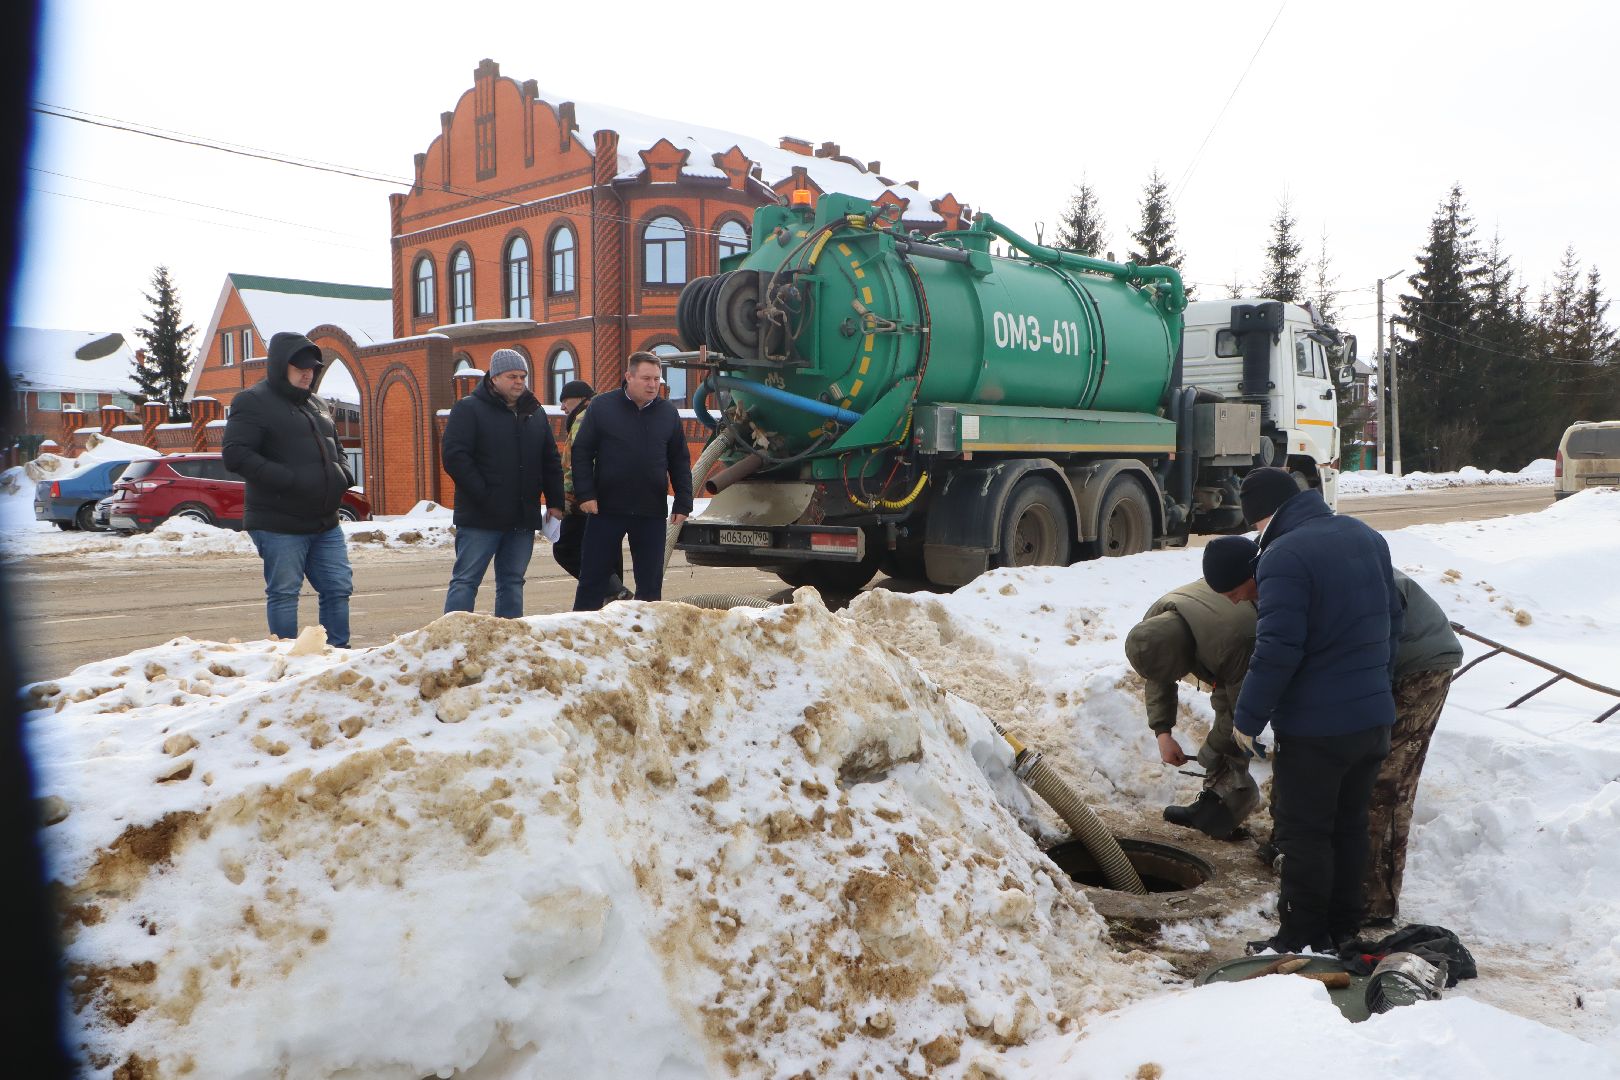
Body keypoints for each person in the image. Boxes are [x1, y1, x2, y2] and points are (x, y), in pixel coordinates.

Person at [1207, 537, 1464, 929]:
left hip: (1418, 664)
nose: (1236, 602)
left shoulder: (1310, 571)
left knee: (1382, 786)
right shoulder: (1282, 577)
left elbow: (1379, 631)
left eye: (1236, 592)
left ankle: (1372, 904)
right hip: (1373, 672)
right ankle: (1331, 893)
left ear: (1251, 573)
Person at [1225, 467, 1403, 954]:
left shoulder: (1284, 556)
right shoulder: (1363, 535)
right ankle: (1344, 928)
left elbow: (1278, 648)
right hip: (1371, 720)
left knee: (1304, 834)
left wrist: (1246, 719)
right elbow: (1394, 619)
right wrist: (1376, 689)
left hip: (1318, 728)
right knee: (1349, 826)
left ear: (1263, 517)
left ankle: (1301, 936)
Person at [222, 331, 356, 647]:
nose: (308, 373)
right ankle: (285, 661)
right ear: (281, 366)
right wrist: (288, 479)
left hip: (324, 521)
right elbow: (236, 455)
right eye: (300, 367)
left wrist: (343, 474)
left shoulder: (317, 403)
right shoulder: (253, 401)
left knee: (338, 588)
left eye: (313, 368)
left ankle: (339, 655)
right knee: (285, 593)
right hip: (278, 522)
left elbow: (335, 446)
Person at [1122, 556, 1260, 841]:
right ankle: (1216, 807)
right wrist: (1162, 732)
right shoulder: (1157, 623)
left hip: (1264, 636)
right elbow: (1158, 673)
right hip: (1219, 636)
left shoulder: (1231, 642)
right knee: (1226, 732)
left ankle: (1271, 826)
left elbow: (1240, 714)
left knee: (1250, 732)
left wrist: (1210, 751)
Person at [440, 348, 565, 618]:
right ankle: (454, 640)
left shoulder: (535, 412)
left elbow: (550, 460)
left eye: (523, 376)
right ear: (494, 377)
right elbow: (455, 458)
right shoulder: (469, 409)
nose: (519, 381)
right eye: (512, 376)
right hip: (480, 517)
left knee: (512, 582)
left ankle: (508, 641)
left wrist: (555, 502)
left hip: (522, 516)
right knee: (466, 581)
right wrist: (485, 496)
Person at [571, 352, 694, 610]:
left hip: (650, 511)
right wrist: (585, 494)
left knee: (650, 585)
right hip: (606, 508)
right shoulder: (602, 407)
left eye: (657, 379)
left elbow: (680, 460)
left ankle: (645, 638)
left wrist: (683, 502)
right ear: (629, 377)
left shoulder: (667, 413)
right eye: (646, 378)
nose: (652, 385)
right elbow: (581, 452)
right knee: (593, 579)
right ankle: (582, 633)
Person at [551, 379, 629, 602]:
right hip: (614, 495)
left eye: (564, 400)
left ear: (579, 398)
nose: (562, 407)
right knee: (609, 551)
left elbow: (577, 461)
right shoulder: (608, 413)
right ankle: (613, 601)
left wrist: (569, 495)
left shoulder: (583, 418)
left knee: (566, 548)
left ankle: (612, 590)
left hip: (586, 499)